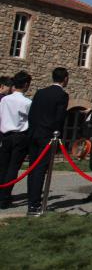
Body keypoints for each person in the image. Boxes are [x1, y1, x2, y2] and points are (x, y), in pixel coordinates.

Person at [26, 67, 69, 215]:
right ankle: (34, 203)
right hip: (47, 136)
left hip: (34, 133)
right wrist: (57, 135)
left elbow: (31, 114)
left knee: (32, 166)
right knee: (40, 169)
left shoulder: (40, 92)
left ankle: (31, 198)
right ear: (65, 79)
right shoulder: (62, 95)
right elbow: (59, 118)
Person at [0, 71, 32, 209]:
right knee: (13, 168)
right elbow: (30, 120)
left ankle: (2, 194)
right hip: (20, 136)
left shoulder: (4, 100)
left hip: (5, 135)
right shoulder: (27, 102)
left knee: (3, 166)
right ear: (26, 85)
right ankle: (5, 197)